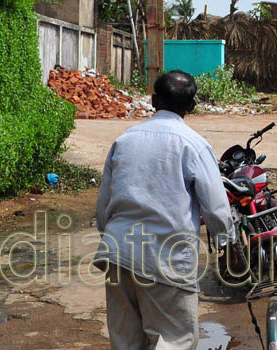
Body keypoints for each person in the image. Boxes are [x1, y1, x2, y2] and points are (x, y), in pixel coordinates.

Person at [95, 70, 233, 350]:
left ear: (153, 99)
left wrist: (110, 235)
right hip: (166, 257)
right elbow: (217, 208)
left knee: (126, 342)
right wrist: (226, 242)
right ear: (192, 106)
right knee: (173, 340)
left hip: (118, 253)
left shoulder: (125, 140)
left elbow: (104, 206)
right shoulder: (194, 144)